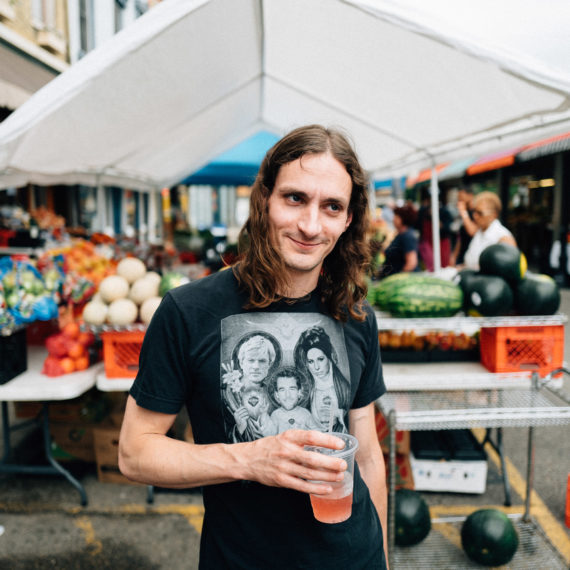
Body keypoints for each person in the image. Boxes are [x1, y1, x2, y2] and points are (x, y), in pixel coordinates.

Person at [118, 124, 388, 569]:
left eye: (332, 206)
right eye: (295, 198)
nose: (310, 225)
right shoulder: (188, 311)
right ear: (264, 199)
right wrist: (248, 459)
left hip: (355, 556)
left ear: (348, 220)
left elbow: (369, 456)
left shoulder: (355, 314)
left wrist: (382, 558)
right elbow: (134, 453)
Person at [294, 325, 351, 433]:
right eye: (311, 361)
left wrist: (339, 414)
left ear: (329, 358)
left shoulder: (343, 389)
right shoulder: (306, 391)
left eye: (320, 359)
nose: (316, 367)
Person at [462, 191, 517, 269]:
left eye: (480, 213)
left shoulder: (504, 238)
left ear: (493, 215)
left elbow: (509, 268)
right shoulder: (481, 231)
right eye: (474, 211)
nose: (475, 216)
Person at [267, 366, 321, 433]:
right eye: (282, 390)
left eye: (292, 389)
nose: (288, 395)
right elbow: (270, 438)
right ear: (277, 395)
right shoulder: (275, 415)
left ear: (299, 392)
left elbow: (318, 433)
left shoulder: (305, 414)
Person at [416, 187, 454, 270]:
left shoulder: (444, 211)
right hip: (427, 244)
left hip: (442, 243)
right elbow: (418, 226)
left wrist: (435, 216)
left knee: (443, 267)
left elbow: (447, 229)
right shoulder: (423, 211)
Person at [377, 202, 419, 278]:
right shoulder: (401, 234)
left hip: (402, 282)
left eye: (396, 217)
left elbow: (411, 263)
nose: (393, 219)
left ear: (402, 219)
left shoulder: (407, 236)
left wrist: (398, 279)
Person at [450, 187, 477, 266]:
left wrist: (463, 211)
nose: (459, 200)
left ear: (470, 196)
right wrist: (454, 255)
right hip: (462, 254)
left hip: (472, 255)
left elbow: (472, 231)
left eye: (461, 198)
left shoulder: (476, 213)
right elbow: (460, 237)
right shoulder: (465, 212)